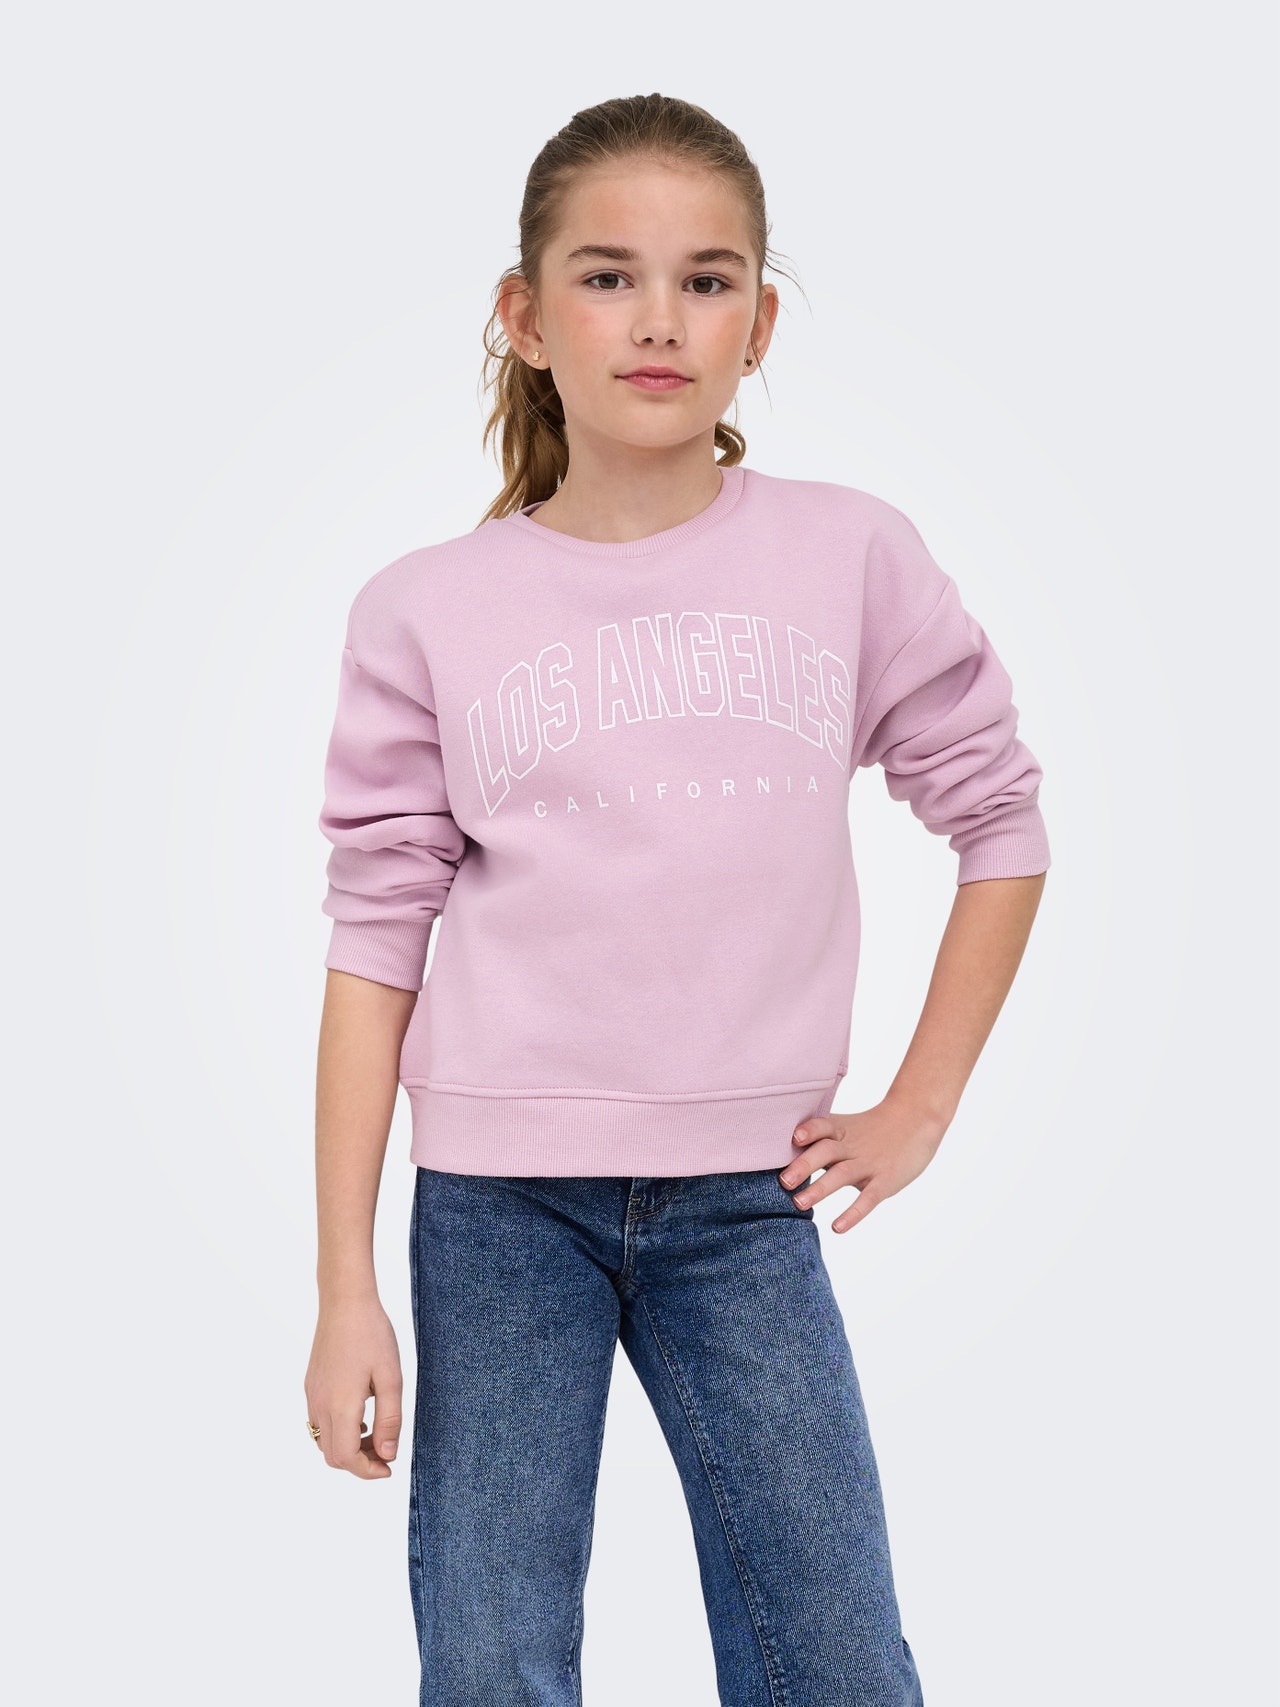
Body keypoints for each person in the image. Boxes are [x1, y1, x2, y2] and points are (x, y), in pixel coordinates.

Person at [305, 91, 1050, 1707]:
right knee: (492, 1665)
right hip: (498, 1209)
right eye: (608, 276)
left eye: (707, 281)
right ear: (525, 318)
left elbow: (1000, 823)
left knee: (835, 1663)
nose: (659, 320)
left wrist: (920, 1105)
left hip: (747, 1201)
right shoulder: (427, 609)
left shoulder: (851, 557)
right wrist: (346, 1285)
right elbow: (375, 947)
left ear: (758, 322)